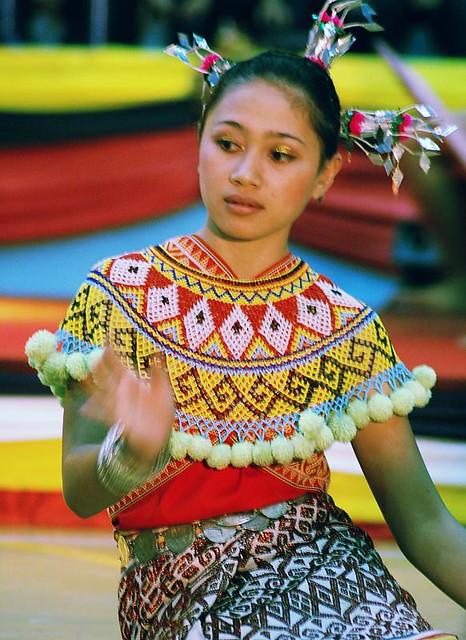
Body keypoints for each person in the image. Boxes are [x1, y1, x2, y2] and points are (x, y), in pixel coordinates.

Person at [25, 2, 465, 638]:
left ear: (326, 175)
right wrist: (130, 455)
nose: (246, 173)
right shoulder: (119, 292)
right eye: (227, 142)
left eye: (281, 155)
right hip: (180, 592)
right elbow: (79, 488)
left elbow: (424, 523)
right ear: (199, 136)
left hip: (330, 573)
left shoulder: (342, 323)